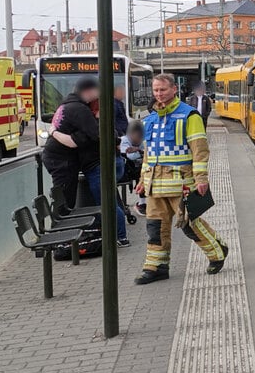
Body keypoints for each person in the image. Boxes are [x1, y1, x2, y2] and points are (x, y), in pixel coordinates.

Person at [134, 73, 228, 285]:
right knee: (155, 229)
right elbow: (148, 154)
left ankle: (217, 251)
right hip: (155, 186)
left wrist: (201, 178)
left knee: (189, 225)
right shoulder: (149, 119)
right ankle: (156, 267)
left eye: (163, 90)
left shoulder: (189, 116)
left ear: (174, 89)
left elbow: (200, 150)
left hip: (181, 183)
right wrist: (142, 179)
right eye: (156, 90)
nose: (159, 94)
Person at [43, 76, 130, 247]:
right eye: (97, 90)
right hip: (67, 161)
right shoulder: (80, 110)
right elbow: (97, 134)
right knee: (72, 200)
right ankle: (62, 238)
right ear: (88, 91)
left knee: (104, 201)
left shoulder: (66, 105)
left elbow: (83, 138)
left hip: (67, 160)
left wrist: (53, 132)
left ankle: (117, 236)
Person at [120, 120, 147, 216]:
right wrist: (140, 152)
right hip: (125, 170)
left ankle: (144, 201)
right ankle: (142, 203)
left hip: (136, 168)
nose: (139, 140)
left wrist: (138, 150)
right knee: (141, 173)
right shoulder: (124, 140)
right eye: (137, 136)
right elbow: (130, 156)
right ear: (130, 134)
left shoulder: (142, 141)